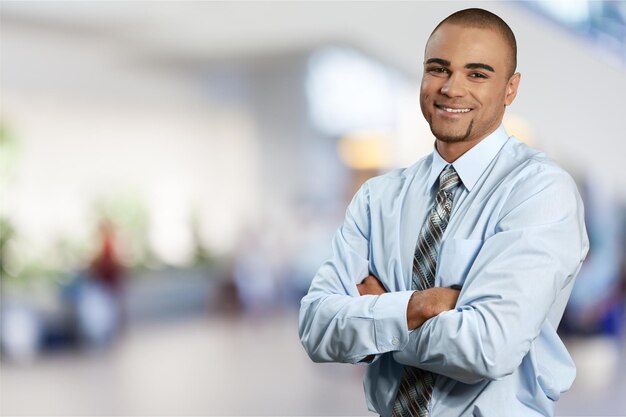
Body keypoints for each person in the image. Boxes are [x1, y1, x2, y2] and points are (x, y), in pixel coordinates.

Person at [299, 8, 589, 417]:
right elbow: (317, 327)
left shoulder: (538, 190)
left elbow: (489, 347)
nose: (452, 88)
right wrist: (419, 306)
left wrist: (380, 316)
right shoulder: (377, 197)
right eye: (439, 69)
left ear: (510, 88)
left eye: (477, 74)